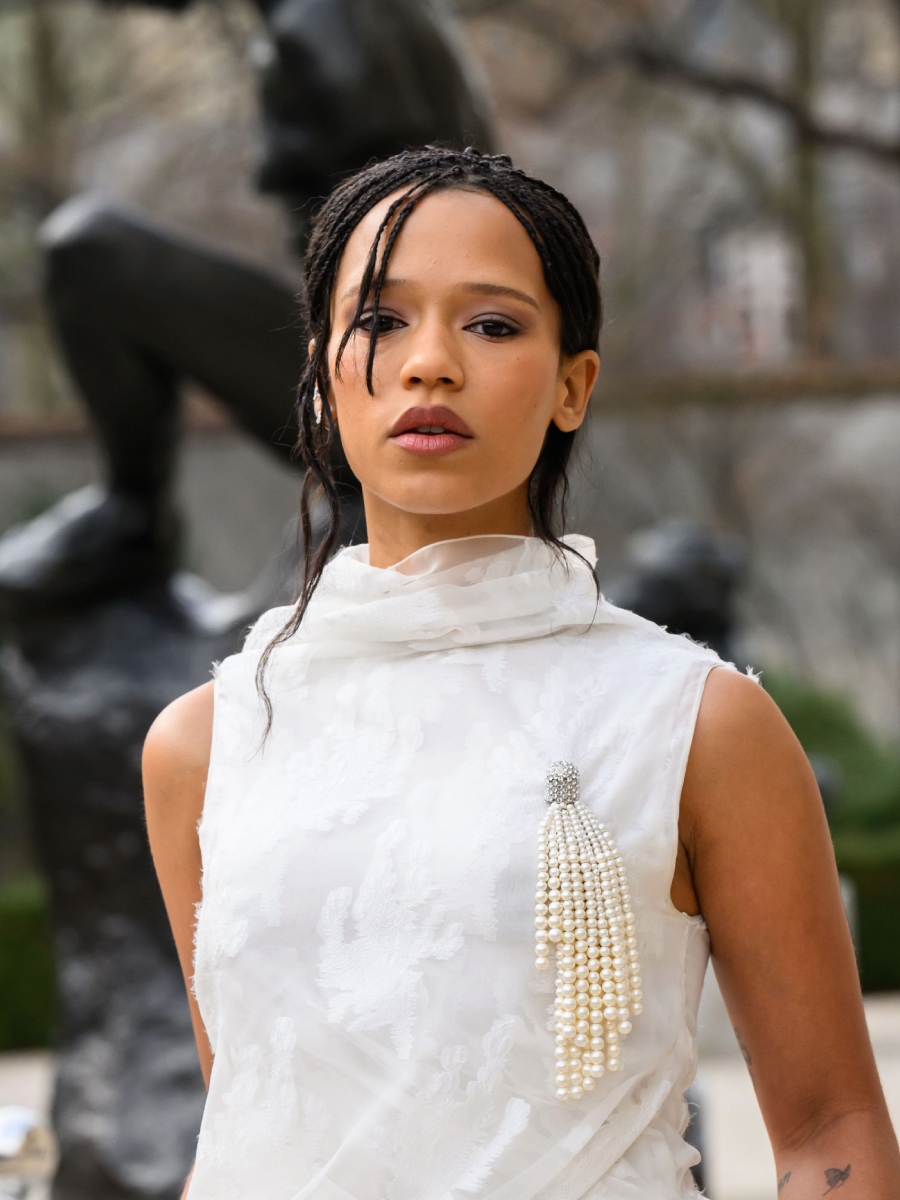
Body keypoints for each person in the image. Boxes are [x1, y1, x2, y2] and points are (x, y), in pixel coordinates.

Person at [142, 146, 900, 1199]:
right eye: (381, 320)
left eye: (492, 325)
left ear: (573, 386)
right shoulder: (207, 743)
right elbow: (248, 1118)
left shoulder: (694, 722)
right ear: (321, 378)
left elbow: (830, 1130)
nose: (430, 363)